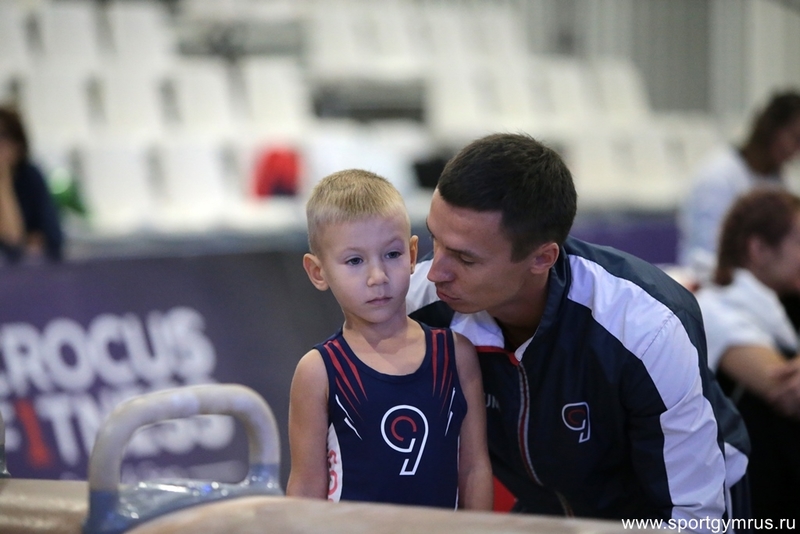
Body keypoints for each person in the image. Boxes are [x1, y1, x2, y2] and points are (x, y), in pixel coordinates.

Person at [406, 133, 750, 525]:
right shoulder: (417, 303)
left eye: (465, 259)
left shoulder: (646, 328)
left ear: (542, 258)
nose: (435, 272)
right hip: (549, 509)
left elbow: (693, 516)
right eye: (435, 240)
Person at [286, 169, 493, 510]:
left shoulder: (456, 354)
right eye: (355, 261)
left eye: (392, 255)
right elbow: (306, 487)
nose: (377, 276)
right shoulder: (318, 372)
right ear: (318, 272)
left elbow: (474, 469)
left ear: (412, 255)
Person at [695, 188, 800, 521]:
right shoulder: (716, 310)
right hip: (749, 505)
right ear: (758, 249)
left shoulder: (783, 304)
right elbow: (789, 394)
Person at [678, 91, 800, 284]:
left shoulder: (782, 184)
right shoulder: (717, 178)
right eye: (795, 138)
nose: (796, 150)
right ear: (770, 128)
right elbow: (706, 254)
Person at [0, 105, 64, 263]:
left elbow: (52, 238)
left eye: (3, 137)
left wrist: (4, 182)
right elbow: (13, 241)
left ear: (18, 144)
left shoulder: (30, 177)